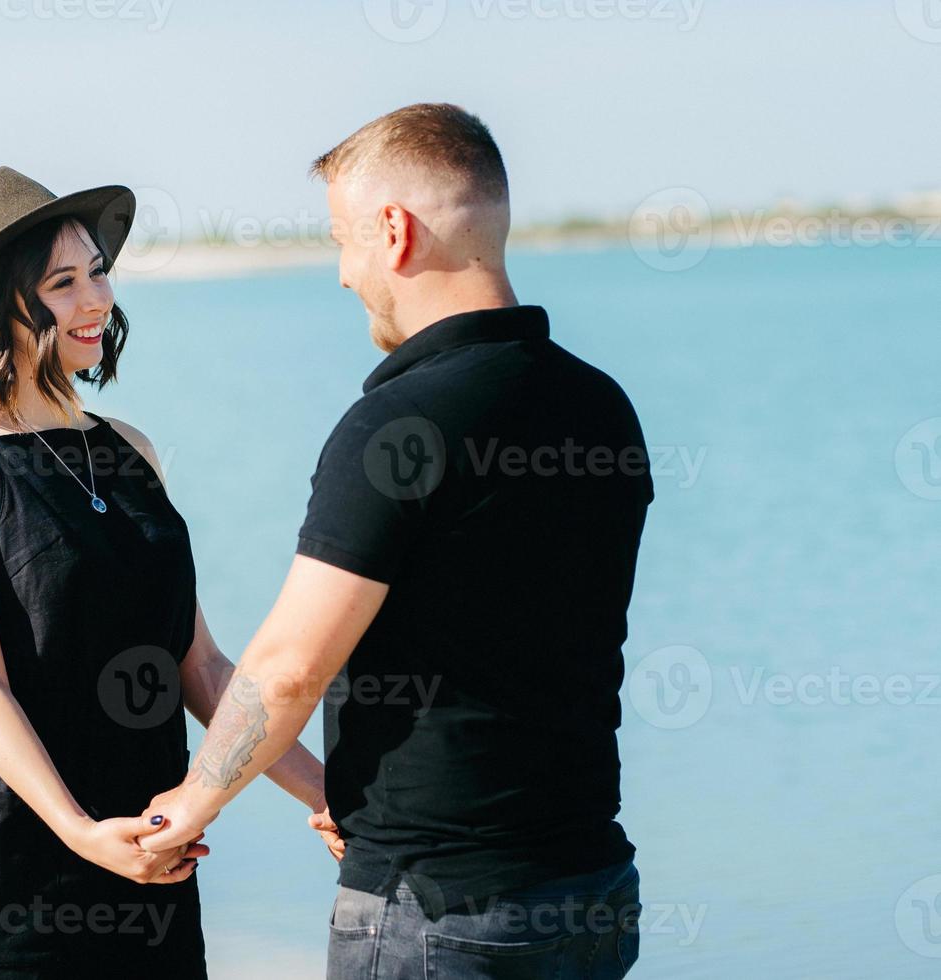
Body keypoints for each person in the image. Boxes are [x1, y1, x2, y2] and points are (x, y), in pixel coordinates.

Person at [138, 105, 652, 979]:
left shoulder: (398, 425)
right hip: (591, 889)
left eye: (343, 241)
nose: (342, 275)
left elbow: (293, 662)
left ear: (393, 231)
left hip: (440, 907)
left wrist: (188, 806)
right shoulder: (601, 407)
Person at [0, 166, 332, 979]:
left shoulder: (131, 449)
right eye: (62, 283)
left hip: (147, 853)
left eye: (98, 271)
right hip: (11, 869)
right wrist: (76, 830)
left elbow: (198, 665)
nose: (95, 299)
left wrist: (322, 791)